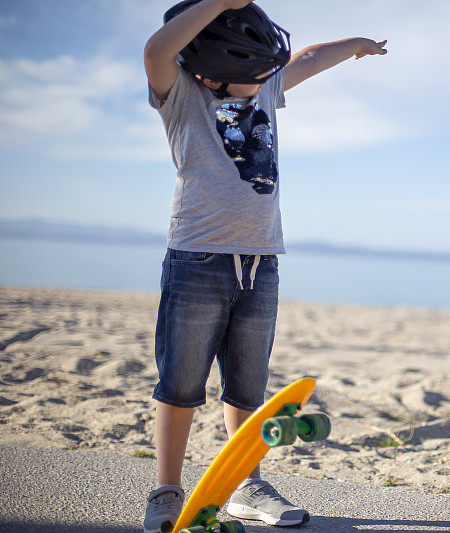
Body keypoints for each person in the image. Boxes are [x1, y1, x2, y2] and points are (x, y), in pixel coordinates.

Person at [142, 1, 387, 531]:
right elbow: (157, 50)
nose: (264, 80)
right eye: (251, 72)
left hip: (262, 261)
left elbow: (313, 56)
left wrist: (357, 48)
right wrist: (219, 4)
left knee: (249, 386)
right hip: (196, 257)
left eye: (265, 71)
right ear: (210, 69)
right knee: (181, 382)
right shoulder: (182, 97)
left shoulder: (268, 88)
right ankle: (165, 491)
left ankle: (244, 485)